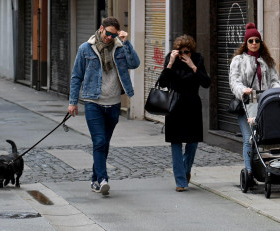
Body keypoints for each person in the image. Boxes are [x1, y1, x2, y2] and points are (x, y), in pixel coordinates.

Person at [68, 17, 140, 195]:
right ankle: (103, 179)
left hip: (114, 103)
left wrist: (125, 42)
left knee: (104, 144)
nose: (109, 37)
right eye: (107, 33)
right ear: (101, 29)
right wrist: (72, 102)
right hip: (94, 103)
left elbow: (134, 63)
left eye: (113, 35)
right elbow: (77, 76)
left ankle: (94, 180)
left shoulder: (119, 47)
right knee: (99, 141)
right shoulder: (86, 48)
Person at [228, 23, 280, 185]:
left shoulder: (266, 61)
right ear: (246, 43)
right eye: (250, 40)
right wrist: (243, 90)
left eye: (257, 40)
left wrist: (276, 92)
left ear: (260, 42)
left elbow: (275, 80)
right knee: (249, 138)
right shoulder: (238, 60)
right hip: (246, 104)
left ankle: (264, 167)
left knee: (263, 138)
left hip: (264, 105)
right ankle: (249, 172)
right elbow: (234, 81)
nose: (254, 43)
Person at [157, 35, 211, 192]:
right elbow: (162, 83)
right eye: (180, 51)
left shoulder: (197, 59)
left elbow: (206, 83)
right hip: (174, 105)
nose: (183, 54)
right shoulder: (171, 59)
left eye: (186, 51)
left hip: (192, 104)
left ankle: (185, 170)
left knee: (193, 143)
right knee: (176, 143)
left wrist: (193, 66)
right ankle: (180, 181)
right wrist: (171, 63)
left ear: (191, 51)